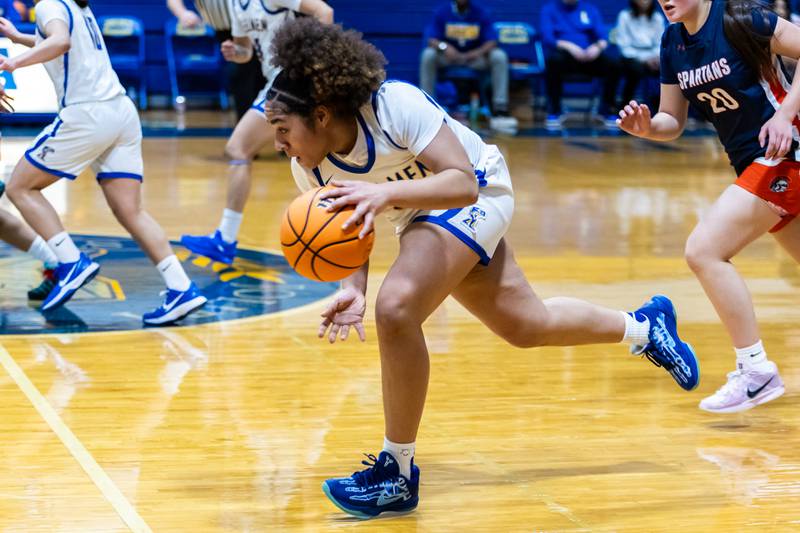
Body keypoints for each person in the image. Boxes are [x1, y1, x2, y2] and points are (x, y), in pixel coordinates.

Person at [266, 18, 699, 518]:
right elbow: (351, 231)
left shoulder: (392, 106)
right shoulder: (310, 168)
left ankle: (397, 471)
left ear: (320, 115)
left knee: (398, 306)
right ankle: (645, 327)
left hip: (477, 192)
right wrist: (353, 288)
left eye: (283, 131)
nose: (279, 145)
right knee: (526, 325)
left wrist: (384, 194)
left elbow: (461, 182)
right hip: (421, 212)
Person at [617, 0, 800, 413]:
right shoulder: (672, 41)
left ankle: (756, 370)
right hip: (753, 162)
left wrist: (787, 114)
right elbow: (671, 120)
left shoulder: (740, 17)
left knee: (703, 250)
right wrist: (646, 128)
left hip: (784, 151)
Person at [0, 0, 207, 325]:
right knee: (131, 211)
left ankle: (70, 262)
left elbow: (60, 42)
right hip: (120, 112)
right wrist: (18, 36)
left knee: (20, 187)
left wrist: (13, 63)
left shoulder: (49, 4)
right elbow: (63, 44)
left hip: (88, 112)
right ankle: (181, 287)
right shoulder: (72, 5)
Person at [179, 0, 333, 265]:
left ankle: (226, 239)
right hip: (273, 84)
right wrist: (234, 51)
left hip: (290, 81)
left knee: (239, 148)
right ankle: (330, 222)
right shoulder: (237, 6)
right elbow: (246, 52)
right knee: (306, 159)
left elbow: (324, 11)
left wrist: (313, 62)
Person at [419, 0, 518, 134]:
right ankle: (427, 108)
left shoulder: (481, 13)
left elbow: (492, 42)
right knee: (428, 55)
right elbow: (431, 40)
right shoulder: (442, 12)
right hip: (449, 58)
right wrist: (445, 47)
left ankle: (500, 109)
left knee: (499, 56)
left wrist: (476, 53)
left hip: (474, 59)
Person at [165, 0, 265, 120]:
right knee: (241, 75)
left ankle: (259, 125)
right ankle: (248, 125)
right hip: (225, 30)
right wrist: (183, 13)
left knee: (255, 76)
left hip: (257, 25)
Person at [540, 0, 622, 128]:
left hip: (588, 56)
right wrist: (569, 46)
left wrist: (597, 47)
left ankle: (606, 109)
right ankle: (555, 110)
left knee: (614, 65)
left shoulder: (590, 9)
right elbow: (547, 38)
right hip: (564, 57)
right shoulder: (549, 9)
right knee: (553, 62)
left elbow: (603, 37)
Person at [615, 0, 665, 109]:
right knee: (635, 70)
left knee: (668, 68)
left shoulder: (657, 17)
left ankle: (660, 107)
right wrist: (645, 59)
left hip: (654, 57)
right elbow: (624, 46)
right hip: (631, 57)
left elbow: (660, 43)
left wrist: (655, 57)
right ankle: (624, 106)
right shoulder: (624, 16)